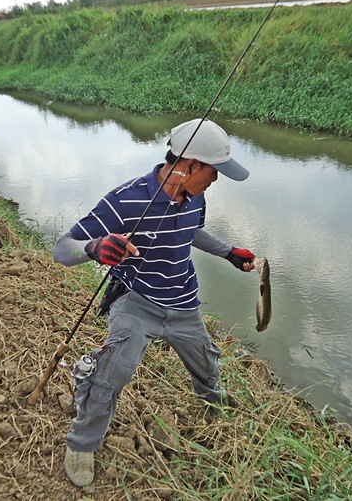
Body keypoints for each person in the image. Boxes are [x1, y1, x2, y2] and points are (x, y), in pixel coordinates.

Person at [51, 118, 256, 487]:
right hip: (137, 301)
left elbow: (190, 229)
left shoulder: (196, 196)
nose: (216, 179)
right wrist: (95, 248)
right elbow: (62, 249)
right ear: (190, 165)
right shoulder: (125, 200)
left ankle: (213, 401)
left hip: (184, 302)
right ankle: (81, 443)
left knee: (206, 364)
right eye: (213, 170)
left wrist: (227, 252)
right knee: (112, 372)